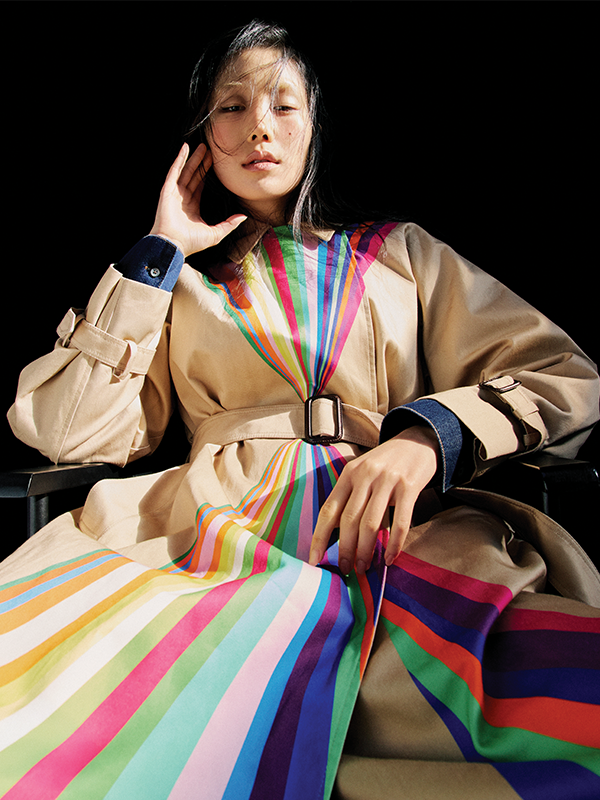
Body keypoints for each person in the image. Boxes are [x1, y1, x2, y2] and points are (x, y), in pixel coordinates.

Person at [2, 19, 599, 800]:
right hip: (208, 539)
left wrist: (427, 438)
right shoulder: (178, 283)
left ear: (316, 125)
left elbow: (563, 375)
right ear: (201, 138)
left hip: (392, 532)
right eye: (232, 107)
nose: (260, 126)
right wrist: (158, 251)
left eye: (285, 105)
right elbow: (65, 430)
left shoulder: (400, 253)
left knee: (558, 698)